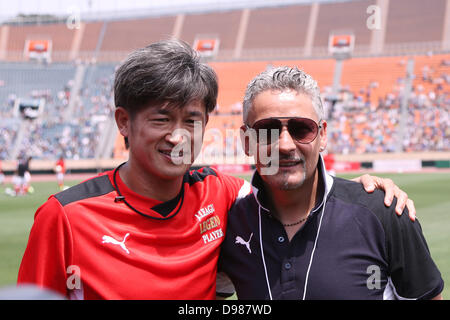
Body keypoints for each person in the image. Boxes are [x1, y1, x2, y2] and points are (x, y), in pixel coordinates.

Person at [18, 40, 415, 300]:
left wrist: (366, 190)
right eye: (161, 119)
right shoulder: (65, 217)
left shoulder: (222, 195)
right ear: (124, 122)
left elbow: (292, 193)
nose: (178, 137)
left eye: (191, 120)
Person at [217, 67, 443, 300]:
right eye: (268, 131)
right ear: (246, 141)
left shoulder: (383, 212)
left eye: (301, 129)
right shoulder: (229, 224)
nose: (285, 146)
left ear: (322, 135)